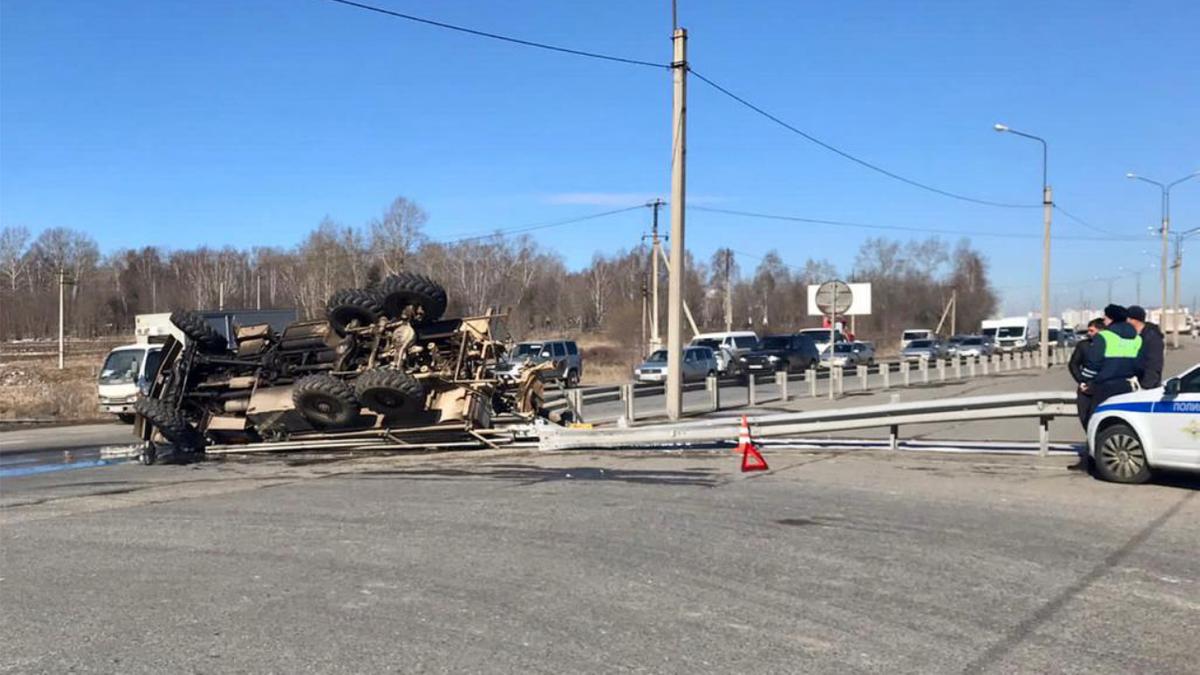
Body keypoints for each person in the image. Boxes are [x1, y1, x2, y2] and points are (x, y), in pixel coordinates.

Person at [1078, 304, 1142, 427]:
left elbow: (1093, 363)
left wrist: (1085, 380)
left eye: (1105, 318)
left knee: (1096, 423)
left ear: (1111, 319)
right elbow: (1140, 365)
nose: (1104, 321)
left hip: (1104, 387)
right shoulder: (1137, 339)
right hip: (1127, 387)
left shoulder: (1104, 337)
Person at [1069, 318, 1104, 428]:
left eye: (1092, 331)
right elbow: (1073, 364)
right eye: (1088, 330)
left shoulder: (1110, 346)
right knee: (1085, 418)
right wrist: (1081, 381)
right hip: (1085, 388)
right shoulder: (1083, 346)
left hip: (1103, 388)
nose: (1088, 334)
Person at [1126, 305, 1164, 389]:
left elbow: (1154, 365)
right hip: (1133, 384)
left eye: (1127, 318)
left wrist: (1146, 386)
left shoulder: (1152, 337)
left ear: (1133, 319)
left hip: (1145, 387)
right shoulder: (1133, 335)